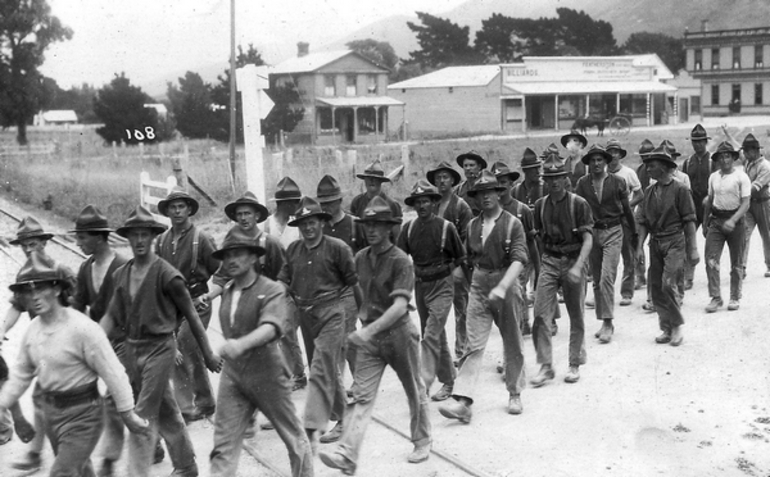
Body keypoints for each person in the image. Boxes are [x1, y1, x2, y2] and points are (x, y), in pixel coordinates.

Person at [0, 251, 149, 476]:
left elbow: (114, 373)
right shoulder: (33, 331)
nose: (35, 297)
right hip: (52, 414)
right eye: (28, 292)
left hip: (83, 415)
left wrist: (128, 414)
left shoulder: (83, 329)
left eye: (40, 289)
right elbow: (21, 373)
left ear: (57, 289)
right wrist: (2, 403)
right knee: (81, 470)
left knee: (62, 472)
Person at [101, 205, 223, 477]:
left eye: (146, 235)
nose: (140, 241)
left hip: (160, 349)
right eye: (135, 235)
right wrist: (90, 345)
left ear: (154, 237)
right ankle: (187, 466)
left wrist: (209, 353)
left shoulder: (168, 274)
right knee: (167, 412)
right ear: (128, 239)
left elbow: (192, 316)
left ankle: (136, 472)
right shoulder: (121, 274)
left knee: (141, 413)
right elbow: (111, 315)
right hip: (133, 349)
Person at [319, 196, 431, 474]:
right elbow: (357, 293)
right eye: (368, 225)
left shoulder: (400, 261)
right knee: (361, 396)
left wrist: (367, 329)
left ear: (389, 228)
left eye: (378, 225)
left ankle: (422, 440)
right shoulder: (360, 258)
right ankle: (347, 453)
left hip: (399, 334)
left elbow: (400, 306)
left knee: (414, 390)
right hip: (371, 340)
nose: (371, 230)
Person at [208, 227, 313, 477]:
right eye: (227, 256)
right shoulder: (228, 291)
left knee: (293, 437)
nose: (231, 261)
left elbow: (271, 327)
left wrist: (240, 344)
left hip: (267, 372)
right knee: (223, 445)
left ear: (254, 257)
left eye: (238, 254)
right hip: (233, 375)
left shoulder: (271, 289)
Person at [438, 170, 528, 420]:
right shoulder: (472, 225)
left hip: (506, 282)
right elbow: (466, 258)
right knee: (473, 344)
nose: (485, 197)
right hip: (479, 283)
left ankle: (515, 392)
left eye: (490, 192)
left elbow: (519, 260)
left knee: (512, 341)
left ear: (499, 194)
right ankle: (463, 402)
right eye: (480, 194)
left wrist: (502, 287)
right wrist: (465, 277)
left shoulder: (513, 223)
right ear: (475, 198)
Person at [278, 197, 359, 447]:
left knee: (324, 362)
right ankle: (339, 416)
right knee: (320, 368)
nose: (308, 228)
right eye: (303, 224)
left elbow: (353, 283)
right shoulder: (293, 250)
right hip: (305, 311)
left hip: (333, 310)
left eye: (312, 222)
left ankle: (317, 423)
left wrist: (365, 313)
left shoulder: (338, 248)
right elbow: (283, 280)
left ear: (321, 223)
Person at [0, 215, 76, 472]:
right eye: (24, 245)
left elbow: (80, 305)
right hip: (43, 345)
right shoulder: (24, 274)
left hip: (66, 342)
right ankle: (44, 454)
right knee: (44, 398)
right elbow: (16, 307)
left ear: (44, 243)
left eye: (34, 244)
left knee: (52, 399)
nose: (29, 249)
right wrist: (2, 329)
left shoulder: (60, 270)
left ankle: (57, 456)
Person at [70, 205, 135, 476]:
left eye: (82, 237)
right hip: (101, 342)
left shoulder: (122, 266)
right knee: (128, 399)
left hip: (125, 342)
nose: (78, 242)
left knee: (113, 397)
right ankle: (151, 444)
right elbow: (79, 303)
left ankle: (109, 459)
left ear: (98, 237)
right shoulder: (86, 268)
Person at [155, 188, 220, 424]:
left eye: (181, 206)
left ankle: (205, 401)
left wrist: (210, 295)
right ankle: (185, 406)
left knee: (187, 345)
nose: (177, 211)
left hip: (196, 302)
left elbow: (221, 271)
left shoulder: (201, 239)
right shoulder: (161, 240)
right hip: (170, 306)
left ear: (189, 209)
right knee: (173, 351)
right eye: (172, 207)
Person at [397, 180, 465, 402]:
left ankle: (423, 384)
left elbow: (460, 257)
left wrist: (451, 272)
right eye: (417, 202)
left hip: (442, 285)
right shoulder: (408, 229)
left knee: (431, 334)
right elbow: (399, 259)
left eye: (425, 201)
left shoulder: (446, 227)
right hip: (421, 285)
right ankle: (448, 380)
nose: (422, 206)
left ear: (434, 203)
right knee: (436, 335)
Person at [530, 152, 593, 386]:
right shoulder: (539, 206)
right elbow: (537, 239)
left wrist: (578, 267)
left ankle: (574, 363)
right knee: (539, 314)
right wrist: (540, 267)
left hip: (573, 259)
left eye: (558, 177)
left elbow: (588, 239)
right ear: (544, 181)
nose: (554, 182)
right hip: (550, 260)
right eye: (549, 178)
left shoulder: (579, 204)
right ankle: (546, 365)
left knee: (576, 314)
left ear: (566, 179)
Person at [636, 145, 699, 346]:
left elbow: (689, 221)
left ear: (663, 168)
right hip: (655, 242)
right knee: (656, 287)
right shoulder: (649, 191)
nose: (648, 170)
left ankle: (677, 326)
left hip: (674, 241)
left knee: (667, 283)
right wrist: (639, 247)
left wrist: (693, 248)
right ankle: (666, 327)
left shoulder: (680, 189)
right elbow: (644, 221)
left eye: (652, 166)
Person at [575, 145, 636, 344]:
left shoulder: (618, 182)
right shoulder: (583, 184)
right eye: (592, 160)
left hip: (614, 230)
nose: (596, 164)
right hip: (593, 233)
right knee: (597, 278)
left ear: (606, 162)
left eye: (600, 160)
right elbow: (578, 210)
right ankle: (603, 320)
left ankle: (608, 322)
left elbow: (627, 209)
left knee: (607, 277)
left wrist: (633, 233)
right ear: (588, 164)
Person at [316, 174, 360, 388]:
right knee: (334, 337)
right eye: (323, 203)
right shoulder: (318, 227)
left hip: (349, 288)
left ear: (340, 201)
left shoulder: (354, 224)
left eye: (331, 203)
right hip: (326, 291)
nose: (327, 207)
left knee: (347, 334)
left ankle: (356, 380)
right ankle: (339, 383)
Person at [264, 177, 308, 391]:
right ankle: (294, 373)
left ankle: (297, 375)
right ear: (281, 204)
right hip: (273, 288)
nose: (295, 206)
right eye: (292, 202)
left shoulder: (298, 226)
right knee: (281, 333)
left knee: (288, 330)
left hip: (295, 288)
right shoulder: (267, 225)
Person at [426, 160, 472, 364]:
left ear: (453, 180)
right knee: (436, 311)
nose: (441, 181)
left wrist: (459, 265)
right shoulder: (432, 205)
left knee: (461, 309)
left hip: (455, 265)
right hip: (436, 266)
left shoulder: (461, 206)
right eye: (438, 178)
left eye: (445, 177)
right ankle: (437, 352)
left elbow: (467, 237)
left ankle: (462, 350)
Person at [491, 161, 540, 335]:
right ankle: (524, 322)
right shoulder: (489, 211)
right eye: (495, 183)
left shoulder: (522, 210)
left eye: (503, 182)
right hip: (497, 263)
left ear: (511, 184)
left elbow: (532, 242)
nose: (500, 186)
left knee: (516, 289)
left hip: (520, 261)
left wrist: (538, 267)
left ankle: (518, 328)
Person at [703, 141, 751, 312]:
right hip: (716, 220)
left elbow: (746, 204)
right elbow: (709, 200)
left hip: (736, 222)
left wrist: (733, 220)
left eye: (727, 156)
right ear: (717, 160)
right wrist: (704, 222)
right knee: (710, 259)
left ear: (733, 158)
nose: (724, 160)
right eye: (721, 157)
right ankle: (715, 297)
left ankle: (734, 297)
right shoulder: (713, 177)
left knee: (736, 262)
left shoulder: (741, 177)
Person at [605, 139, 643, 306]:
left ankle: (627, 292)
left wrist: (628, 206)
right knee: (607, 257)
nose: (613, 155)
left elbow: (640, 194)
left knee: (628, 255)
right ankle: (604, 292)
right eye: (610, 152)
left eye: (616, 152)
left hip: (625, 219)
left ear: (620, 155)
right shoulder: (602, 172)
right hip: (607, 219)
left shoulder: (628, 173)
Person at [681, 123, 718, 290]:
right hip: (692, 209)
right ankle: (688, 278)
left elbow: (719, 185)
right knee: (688, 242)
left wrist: (710, 201)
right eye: (694, 142)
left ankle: (713, 277)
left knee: (712, 245)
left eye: (700, 141)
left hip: (710, 209)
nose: (697, 145)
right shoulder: (688, 162)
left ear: (705, 142)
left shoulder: (713, 161)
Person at [350, 160, 403, 248]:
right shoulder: (357, 202)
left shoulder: (392, 204)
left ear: (381, 181)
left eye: (375, 179)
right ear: (364, 180)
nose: (371, 181)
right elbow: (353, 231)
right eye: (368, 178)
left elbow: (397, 237)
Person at [739, 133, 770, 277]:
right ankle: (742, 266)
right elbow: (737, 151)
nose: (744, 153)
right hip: (750, 204)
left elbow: (754, 187)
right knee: (744, 234)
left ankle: (769, 265)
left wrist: (737, 193)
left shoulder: (765, 166)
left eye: (747, 151)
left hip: (763, 203)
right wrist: (727, 134)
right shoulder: (748, 161)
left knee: (767, 235)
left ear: (755, 151)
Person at [454, 151, 487, 217]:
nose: (468, 168)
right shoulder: (459, 189)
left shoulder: (486, 186)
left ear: (479, 167)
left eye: (471, 165)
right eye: (465, 166)